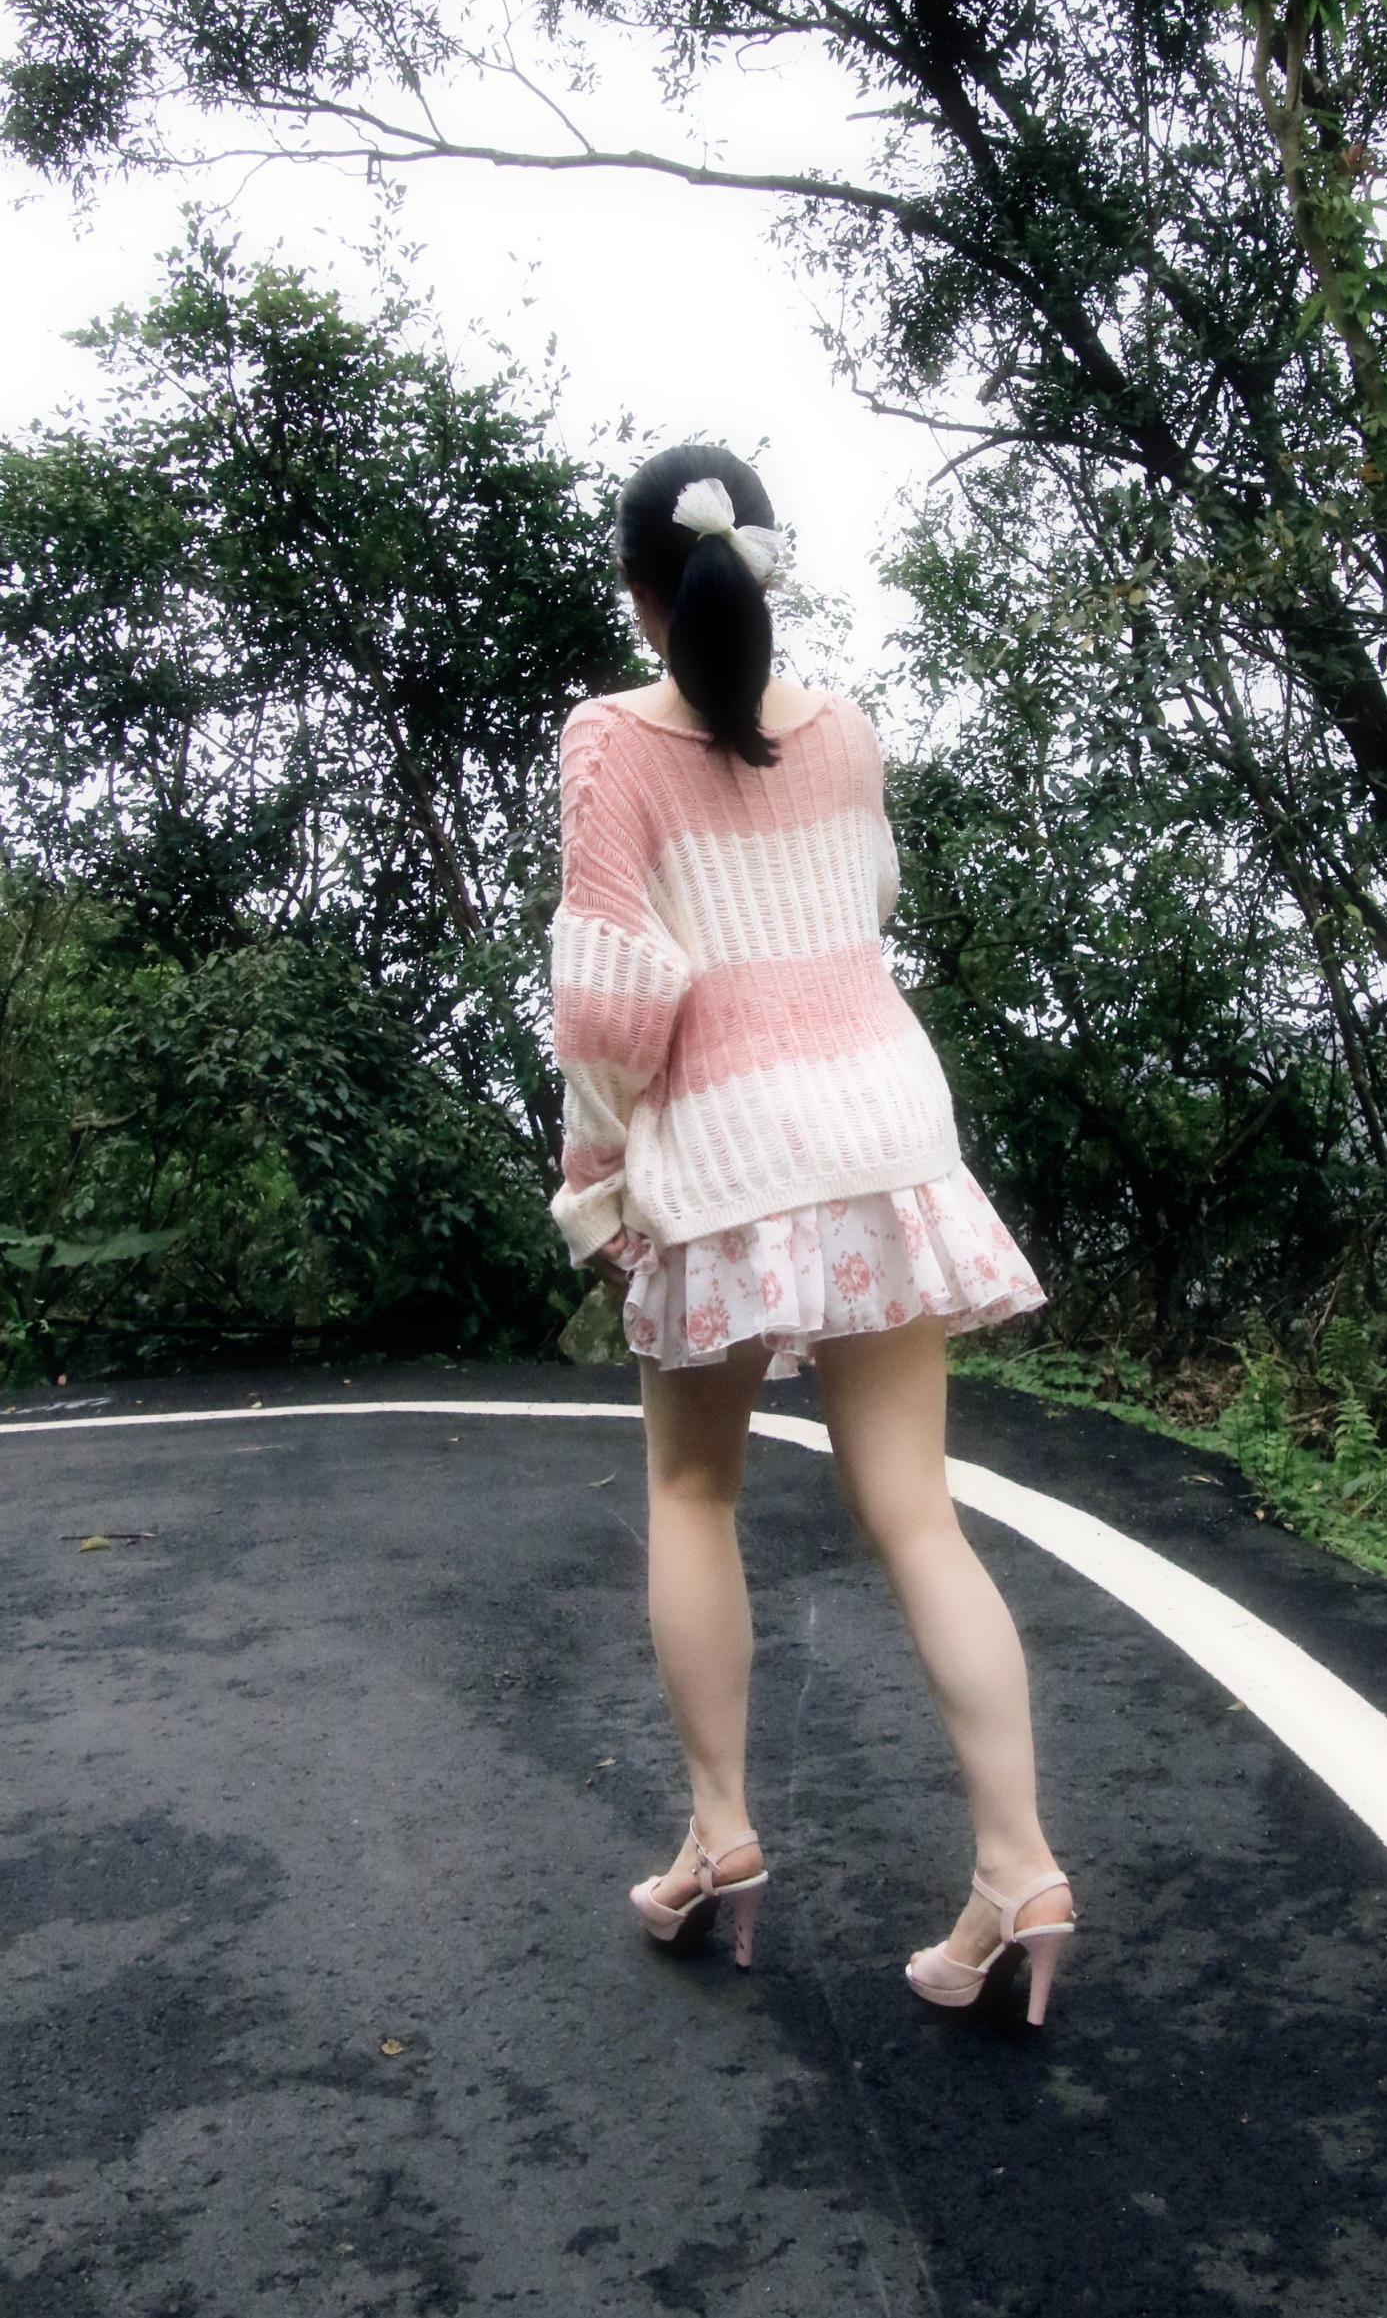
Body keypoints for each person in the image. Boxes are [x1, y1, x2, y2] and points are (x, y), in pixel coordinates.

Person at [545, 441, 1077, 2025]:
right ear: (766, 568)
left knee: (692, 1488)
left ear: (641, 594)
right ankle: (1017, 1864)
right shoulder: (846, 733)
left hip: (724, 1155)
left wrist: (596, 1182)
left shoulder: (608, 741)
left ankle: (720, 1832)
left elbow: (610, 1000)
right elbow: (868, 903)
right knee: (917, 1509)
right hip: (882, 1133)